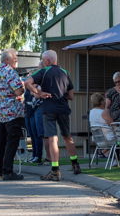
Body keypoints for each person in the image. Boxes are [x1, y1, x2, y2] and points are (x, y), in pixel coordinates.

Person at [25, 50, 80, 181]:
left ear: (47, 61)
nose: (43, 62)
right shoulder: (65, 72)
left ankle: (55, 170)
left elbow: (27, 83)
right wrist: (62, 94)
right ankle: (75, 164)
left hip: (48, 109)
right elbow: (71, 94)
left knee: (52, 139)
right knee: (67, 137)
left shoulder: (44, 71)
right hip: (63, 108)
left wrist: (39, 92)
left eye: (43, 60)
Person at [0, 48, 25, 181]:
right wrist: (22, 88)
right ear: (7, 60)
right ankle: (8, 171)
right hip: (12, 112)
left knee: (0, 142)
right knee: (11, 142)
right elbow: (19, 91)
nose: (16, 60)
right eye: (15, 58)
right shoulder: (10, 71)